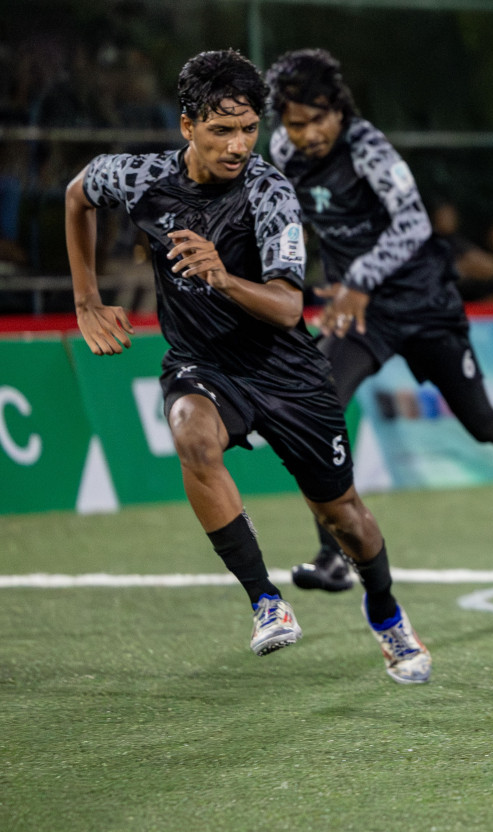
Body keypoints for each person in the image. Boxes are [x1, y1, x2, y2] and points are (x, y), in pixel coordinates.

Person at [63, 49, 430, 683]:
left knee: (346, 517)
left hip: (287, 373)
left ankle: (387, 612)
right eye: (221, 129)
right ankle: (266, 602)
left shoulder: (269, 192)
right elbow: (76, 195)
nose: (238, 145)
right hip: (204, 364)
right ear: (187, 126)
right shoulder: (140, 178)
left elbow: (290, 307)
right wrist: (86, 300)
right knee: (190, 433)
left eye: (248, 129)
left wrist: (222, 276)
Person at [265, 49, 493, 593]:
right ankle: (334, 554)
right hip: (360, 312)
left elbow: (414, 223)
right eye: (295, 124)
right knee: (314, 401)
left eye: (318, 120)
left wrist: (360, 278)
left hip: (422, 304)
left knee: (479, 423)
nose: (307, 134)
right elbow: (285, 219)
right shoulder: (282, 151)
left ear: (338, 111)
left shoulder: (368, 146)